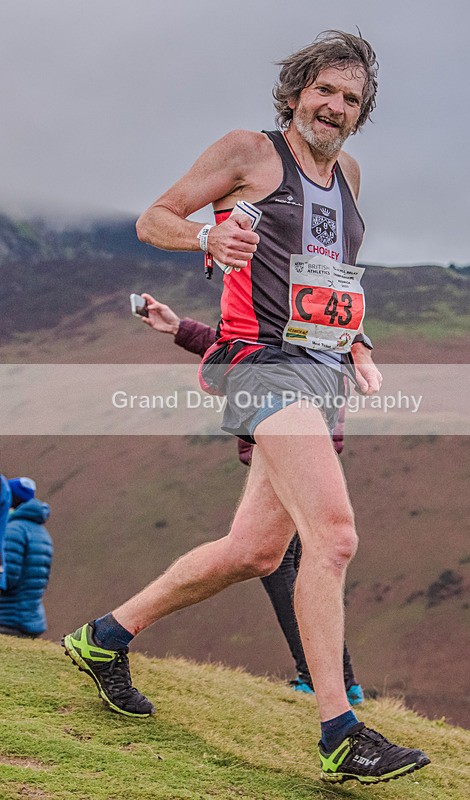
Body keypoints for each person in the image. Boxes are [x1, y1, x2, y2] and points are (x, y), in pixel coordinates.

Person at [64, 30, 429, 784]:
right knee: (332, 538)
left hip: (318, 372)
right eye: (324, 90)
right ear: (296, 91)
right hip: (259, 367)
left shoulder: (350, 175)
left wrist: (357, 339)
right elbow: (153, 217)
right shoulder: (250, 153)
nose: (334, 107)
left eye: (350, 99)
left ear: (362, 115)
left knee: (255, 551)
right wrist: (206, 234)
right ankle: (339, 730)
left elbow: (330, 279)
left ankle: (106, 636)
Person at [139, 292, 364, 705]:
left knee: (282, 561)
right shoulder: (297, 324)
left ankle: (322, 679)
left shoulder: (303, 327)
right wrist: (177, 327)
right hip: (289, 447)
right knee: (284, 558)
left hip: (292, 447)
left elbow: (259, 357)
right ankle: (337, 681)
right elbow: (238, 350)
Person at [0, 478, 53, 638]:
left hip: (8, 618)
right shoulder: (41, 532)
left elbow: (6, 578)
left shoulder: (13, 530)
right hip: (30, 617)